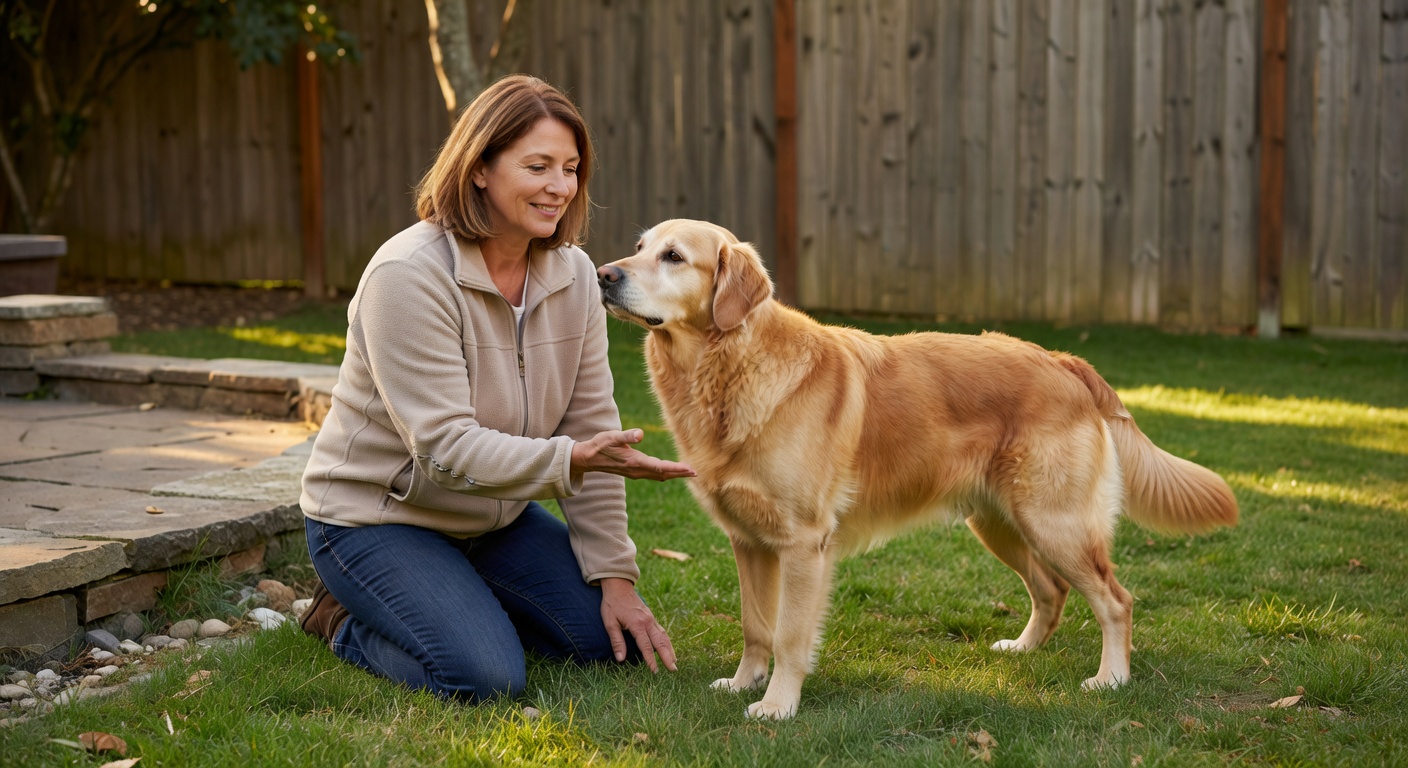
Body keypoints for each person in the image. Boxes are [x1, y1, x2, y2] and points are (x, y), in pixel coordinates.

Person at [298, 74, 695, 702]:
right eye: (537, 166)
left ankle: (456, 595)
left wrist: (616, 578)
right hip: (379, 519)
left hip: (494, 517)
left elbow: (592, 426)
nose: (560, 187)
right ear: (479, 167)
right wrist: (572, 460)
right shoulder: (408, 276)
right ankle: (340, 619)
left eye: (570, 168)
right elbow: (445, 449)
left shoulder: (574, 277)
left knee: (602, 646)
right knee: (484, 677)